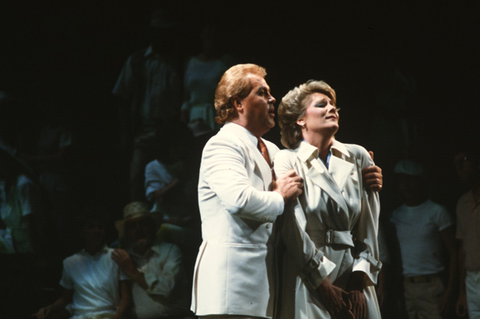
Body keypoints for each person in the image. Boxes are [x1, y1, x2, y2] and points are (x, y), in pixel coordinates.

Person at [191, 66, 382, 318]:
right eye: (262, 93)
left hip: (268, 284)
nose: (272, 99)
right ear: (237, 103)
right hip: (231, 284)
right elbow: (239, 201)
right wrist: (280, 196)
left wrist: (364, 170)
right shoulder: (222, 144)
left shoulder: (272, 150)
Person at [274, 80, 382, 319]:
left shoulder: (358, 155)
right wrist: (321, 283)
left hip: (354, 273)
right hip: (309, 274)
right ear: (300, 119)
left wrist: (358, 280)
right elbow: (293, 227)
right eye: (322, 104)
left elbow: (371, 227)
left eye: (334, 105)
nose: (332, 109)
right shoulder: (288, 159)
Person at [112, 8, 183, 201]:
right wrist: (125, 133)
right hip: (142, 131)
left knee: (170, 179)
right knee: (136, 178)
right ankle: (137, 220)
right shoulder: (137, 61)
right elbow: (122, 97)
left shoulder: (176, 62)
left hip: (168, 133)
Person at [34, 209, 130, 319]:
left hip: (108, 314)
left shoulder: (116, 256)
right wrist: (50, 308)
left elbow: (126, 296)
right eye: (91, 227)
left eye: (100, 227)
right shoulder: (70, 262)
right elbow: (66, 298)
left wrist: (117, 317)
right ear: (82, 232)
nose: (96, 231)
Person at [390, 160, 456, 319]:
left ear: (421, 182)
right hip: (407, 288)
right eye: (402, 180)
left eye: (411, 180)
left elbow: (454, 252)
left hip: (432, 286)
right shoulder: (396, 216)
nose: (406, 185)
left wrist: (449, 291)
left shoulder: (437, 212)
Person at [112, 202, 193, 319]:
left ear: (153, 226)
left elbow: (166, 289)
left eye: (143, 223)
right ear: (127, 233)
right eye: (132, 226)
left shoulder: (170, 251)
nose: (139, 229)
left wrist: (133, 273)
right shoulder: (124, 257)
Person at [454, 148, 480, 319]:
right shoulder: (463, 202)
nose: (460, 167)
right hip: (472, 279)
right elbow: (463, 248)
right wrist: (462, 291)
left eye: (464, 160)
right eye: (457, 164)